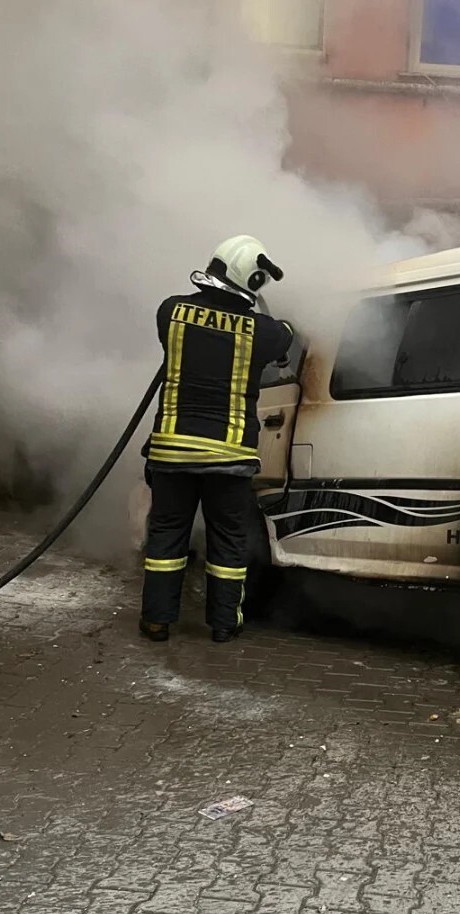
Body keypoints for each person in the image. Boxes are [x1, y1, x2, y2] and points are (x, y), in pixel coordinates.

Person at [139, 236, 294, 643]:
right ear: (254, 278)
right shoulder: (263, 332)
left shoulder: (171, 311)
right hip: (230, 457)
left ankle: (157, 621)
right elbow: (285, 338)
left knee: (167, 534)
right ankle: (224, 624)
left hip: (171, 452)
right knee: (227, 539)